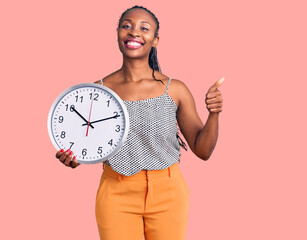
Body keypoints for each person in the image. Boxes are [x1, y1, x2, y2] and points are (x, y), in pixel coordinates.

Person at [55, 5, 223, 240]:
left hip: (169, 192)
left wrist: (214, 113)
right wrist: (75, 158)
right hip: (116, 192)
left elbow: (203, 150)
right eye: (127, 26)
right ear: (118, 35)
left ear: (155, 40)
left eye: (144, 28)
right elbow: (87, 140)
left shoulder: (174, 89)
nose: (134, 32)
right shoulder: (98, 92)